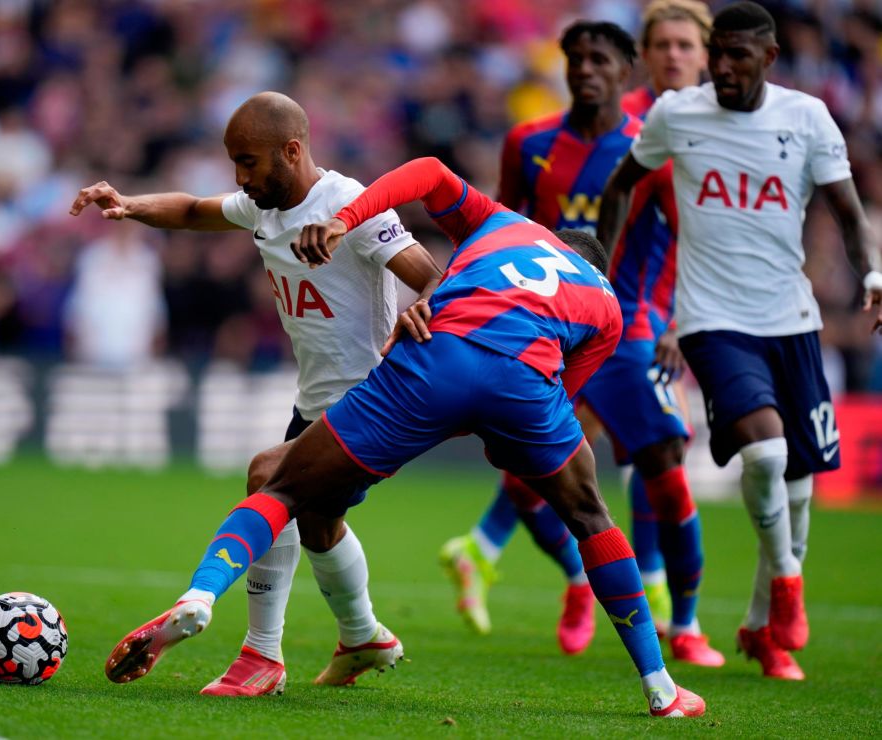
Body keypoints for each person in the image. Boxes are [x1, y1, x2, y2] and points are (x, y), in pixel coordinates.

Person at [102, 156, 706, 719]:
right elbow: (561, 394)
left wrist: (344, 219)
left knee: (278, 483)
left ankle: (204, 598)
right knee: (592, 518)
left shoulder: (506, 224)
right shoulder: (605, 304)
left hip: (434, 356)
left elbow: (428, 172)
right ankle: (660, 688)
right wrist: (503, 436)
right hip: (522, 382)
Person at [69, 92, 443, 696]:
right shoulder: (263, 205)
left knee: (268, 480)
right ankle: (363, 635)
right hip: (318, 402)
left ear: (291, 152)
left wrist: (424, 307)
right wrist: (130, 204)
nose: (239, 178)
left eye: (248, 162)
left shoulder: (351, 207)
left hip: (373, 403)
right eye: (234, 164)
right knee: (318, 524)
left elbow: (435, 279)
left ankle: (260, 656)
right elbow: (192, 210)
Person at [597, 1, 882, 681]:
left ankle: (761, 628)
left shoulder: (807, 118)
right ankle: (787, 585)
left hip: (792, 319)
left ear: (770, 58)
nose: (721, 67)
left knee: (802, 486)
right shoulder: (678, 114)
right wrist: (596, 271)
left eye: (737, 56)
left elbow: (848, 212)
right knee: (767, 453)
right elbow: (620, 188)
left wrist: (872, 272)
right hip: (710, 320)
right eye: (715, 52)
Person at [441, 19, 722, 668]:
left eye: (600, 59)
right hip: (545, 329)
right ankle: (577, 581)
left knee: (666, 471)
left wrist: (677, 320)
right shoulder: (528, 141)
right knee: (525, 480)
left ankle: (687, 624)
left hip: (630, 329)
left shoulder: (651, 149)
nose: (586, 69)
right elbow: (493, 229)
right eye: (576, 58)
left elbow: (687, 240)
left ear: (628, 70)